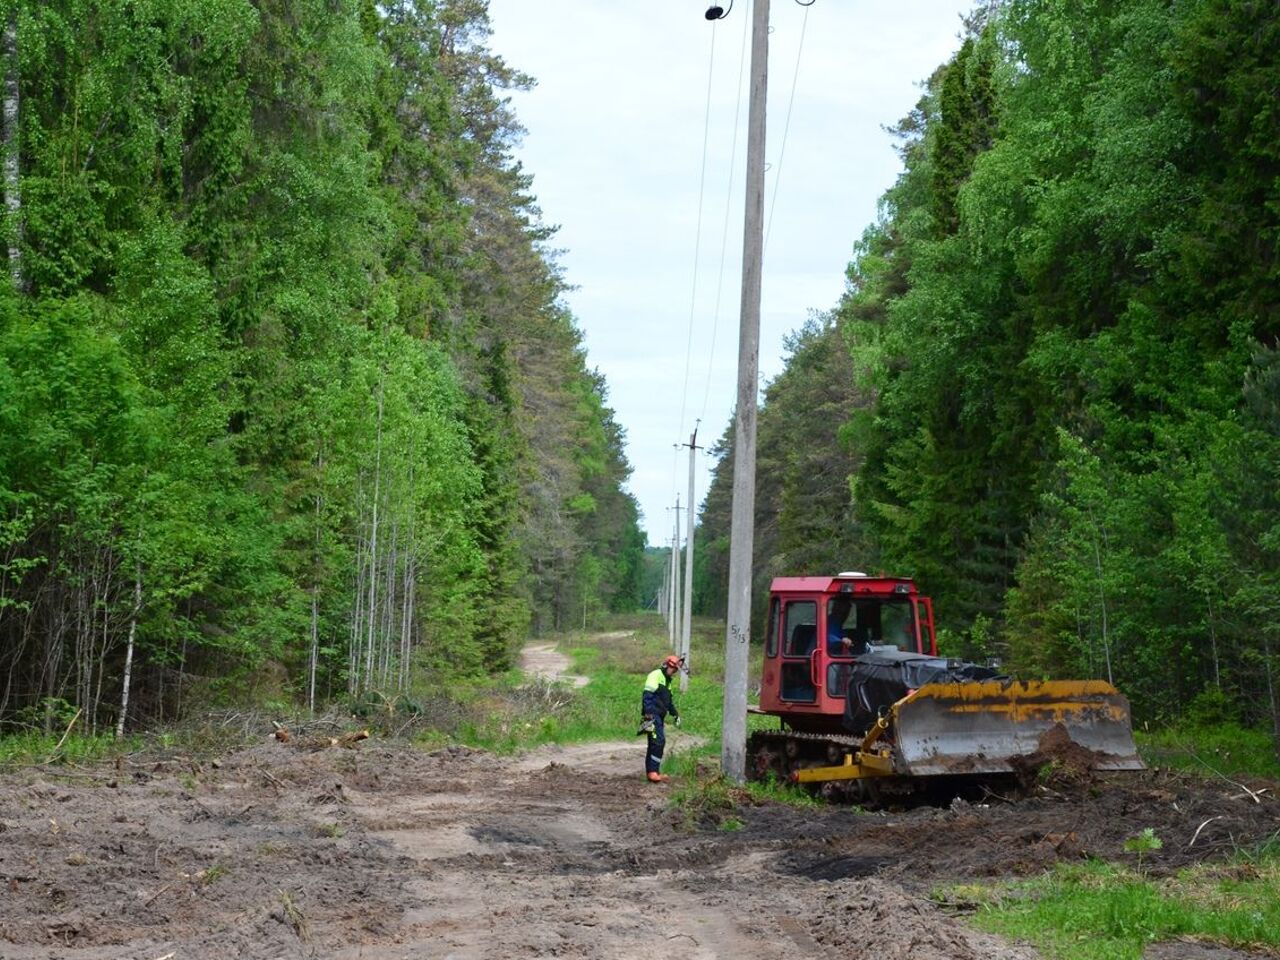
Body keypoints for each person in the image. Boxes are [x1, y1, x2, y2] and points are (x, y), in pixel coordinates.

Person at [638, 654, 683, 783]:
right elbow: (647, 695)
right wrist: (648, 713)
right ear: (667, 665)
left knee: (654, 743)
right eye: (673, 670)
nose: (674, 672)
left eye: (675, 671)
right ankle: (652, 772)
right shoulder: (655, 675)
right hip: (652, 715)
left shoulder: (667, 680)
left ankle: (654, 771)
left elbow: (668, 702)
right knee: (658, 742)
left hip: (659, 716)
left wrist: (675, 714)